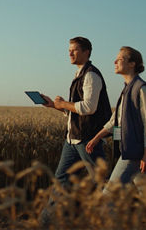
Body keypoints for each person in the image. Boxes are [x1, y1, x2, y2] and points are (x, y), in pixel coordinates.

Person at [42, 36, 112, 188]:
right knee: (61, 180)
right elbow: (75, 112)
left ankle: (114, 209)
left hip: (88, 139)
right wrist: (54, 105)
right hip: (72, 139)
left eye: (74, 50)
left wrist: (64, 103)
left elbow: (88, 108)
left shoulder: (91, 75)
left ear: (86, 52)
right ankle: (54, 212)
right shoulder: (80, 74)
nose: (70, 54)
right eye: (69, 50)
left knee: (101, 181)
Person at [86, 46, 146, 188]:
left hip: (135, 153)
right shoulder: (127, 89)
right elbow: (116, 120)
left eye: (119, 59)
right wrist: (97, 138)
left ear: (132, 64)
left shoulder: (141, 89)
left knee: (110, 195)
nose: (114, 62)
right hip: (132, 150)